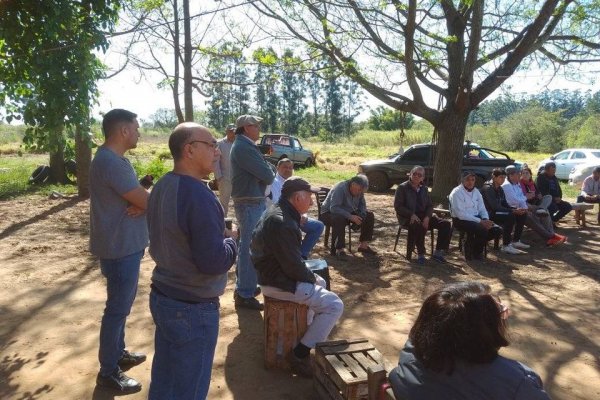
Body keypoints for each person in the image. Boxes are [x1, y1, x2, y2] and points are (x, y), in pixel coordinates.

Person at [147, 123, 237, 400]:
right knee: (189, 390)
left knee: (165, 381)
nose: (217, 152)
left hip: (164, 296)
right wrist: (232, 240)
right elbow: (213, 262)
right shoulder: (199, 196)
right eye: (211, 145)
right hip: (192, 308)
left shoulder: (163, 185)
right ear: (189, 149)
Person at [389, 281, 551, 400]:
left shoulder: (412, 348)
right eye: (500, 312)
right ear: (483, 329)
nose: (504, 315)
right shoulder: (517, 382)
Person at [251, 177, 344, 377]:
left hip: (272, 276)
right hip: (277, 282)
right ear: (297, 197)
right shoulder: (283, 222)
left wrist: (311, 277)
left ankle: (304, 333)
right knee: (335, 304)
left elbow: (291, 262)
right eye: (309, 197)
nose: (311, 202)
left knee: (319, 282)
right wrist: (310, 277)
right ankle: (300, 354)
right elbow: (293, 268)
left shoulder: (279, 211)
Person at [90, 109, 149, 393]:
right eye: (136, 128)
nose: (139, 133)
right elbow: (144, 199)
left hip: (122, 244)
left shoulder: (111, 159)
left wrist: (142, 201)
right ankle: (108, 371)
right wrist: (145, 202)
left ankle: (118, 353)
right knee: (117, 309)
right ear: (124, 130)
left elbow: (138, 198)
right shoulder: (111, 162)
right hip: (120, 247)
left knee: (120, 307)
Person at [230, 114, 275, 310]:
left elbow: (266, 172)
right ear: (247, 128)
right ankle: (245, 293)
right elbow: (268, 174)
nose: (259, 129)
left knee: (247, 245)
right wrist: (268, 172)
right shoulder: (243, 147)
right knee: (250, 247)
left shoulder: (245, 145)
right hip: (249, 202)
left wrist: (267, 171)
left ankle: (244, 287)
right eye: (256, 126)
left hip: (251, 201)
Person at [393, 166, 452, 264]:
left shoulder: (424, 189)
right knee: (418, 225)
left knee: (445, 224)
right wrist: (411, 214)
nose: (416, 176)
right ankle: (421, 254)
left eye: (419, 175)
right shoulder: (402, 188)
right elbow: (398, 206)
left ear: (423, 178)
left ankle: (438, 252)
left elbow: (429, 206)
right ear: (410, 174)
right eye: (414, 174)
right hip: (407, 217)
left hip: (423, 216)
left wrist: (427, 217)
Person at [269, 158, 325, 259]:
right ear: (277, 168)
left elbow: (300, 202)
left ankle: (302, 254)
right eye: (285, 167)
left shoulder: (295, 181)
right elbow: (278, 204)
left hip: (296, 216)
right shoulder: (274, 183)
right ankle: (294, 257)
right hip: (283, 218)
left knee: (318, 226)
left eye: (290, 167)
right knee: (291, 228)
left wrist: (303, 215)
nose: (288, 170)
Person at [503, 165, 567, 246]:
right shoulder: (507, 185)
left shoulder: (516, 184)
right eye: (518, 174)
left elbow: (521, 199)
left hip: (522, 207)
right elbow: (514, 201)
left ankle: (551, 235)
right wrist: (526, 200)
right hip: (512, 209)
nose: (520, 175)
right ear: (510, 175)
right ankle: (551, 237)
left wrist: (525, 207)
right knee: (531, 218)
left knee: (544, 212)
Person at [320, 174, 377, 260]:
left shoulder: (360, 190)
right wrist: (350, 216)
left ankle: (363, 246)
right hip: (328, 213)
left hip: (347, 212)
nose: (359, 193)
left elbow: (362, 205)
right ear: (353, 184)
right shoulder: (340, 188)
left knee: (369, 215)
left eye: (361, 191)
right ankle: (339, 249)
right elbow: (334, 208)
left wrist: (362, 214)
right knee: (339, 218)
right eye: (358, 190)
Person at [448, 171, 502, 260]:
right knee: (481, 229)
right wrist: (481, 222)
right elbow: (460, 214)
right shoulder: (456, 193)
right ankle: (476, 253)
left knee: (497, 230)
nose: (470, 182)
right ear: (462, 180)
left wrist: (485, 219)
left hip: (477, 218)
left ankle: (472, 245)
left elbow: (482, 208)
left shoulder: (476, 191)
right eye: (467, 180)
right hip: (461, 220)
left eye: (472, 180)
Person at [481, 168, 529, 255]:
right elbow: (494, 207)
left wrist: (515, 209)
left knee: (522, 214)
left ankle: (516, 240)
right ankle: (506, 245)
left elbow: (504, 203)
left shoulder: (500, 188)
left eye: (504, 178)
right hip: (489, 213)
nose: (502, 180)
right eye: (500, 177)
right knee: (510, 216)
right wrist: (512, 211)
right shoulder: (488, 188)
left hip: (498, 211)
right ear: (494, 177)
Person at [213, 123, 236, 216]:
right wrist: (219, 177)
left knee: (239, 203)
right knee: (223, 204)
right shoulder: (220, 144)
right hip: (225, 179)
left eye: (234, 131)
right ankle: (223, 225)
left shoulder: (239, 143)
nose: (232, 133)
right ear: (226, 131)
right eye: (230, 131)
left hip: (238, 179)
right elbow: (215, 161)